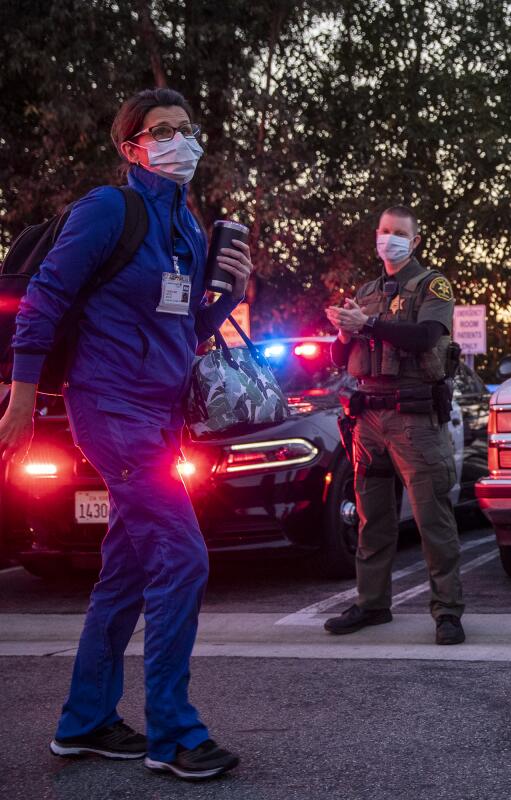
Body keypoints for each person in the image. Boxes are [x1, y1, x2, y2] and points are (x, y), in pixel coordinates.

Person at [0, 88, 251, 779]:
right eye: (161, 131)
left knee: (129, 569)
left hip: (161, 419)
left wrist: (227, 294)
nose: (179, 141)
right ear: (131, 147)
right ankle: (173, 734)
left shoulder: (189, 228)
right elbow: (46, 298)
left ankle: (85, 722)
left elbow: (184, 333)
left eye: (187, 129)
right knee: (184, 558)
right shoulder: (109, 210)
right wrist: (21, 397)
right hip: (110, 411)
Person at [324, 206, 465, 645]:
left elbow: (425, 338)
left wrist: (367, 324)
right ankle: (371, 603)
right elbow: (337, 359)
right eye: (385, 231)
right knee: (372, 519)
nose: (390, 239)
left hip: (415, 420)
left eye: (399, 233)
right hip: (369, 419)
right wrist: (345, 335)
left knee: (432, 519)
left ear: (415, 240)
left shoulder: (432, 285)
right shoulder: (365, 292)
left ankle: (447, 611)